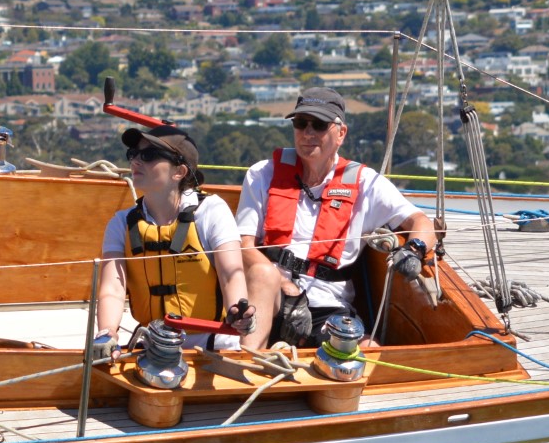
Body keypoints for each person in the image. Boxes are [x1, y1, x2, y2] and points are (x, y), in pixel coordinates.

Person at [236, 87, 437, 348]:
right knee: (263, 275)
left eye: (319, 125)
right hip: (271, 297)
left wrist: (414, 249)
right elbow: (243, 246)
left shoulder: (367, 183)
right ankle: (248, 368)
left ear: (341, 133)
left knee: (369, 351)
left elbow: (420, 222)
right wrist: (284, 285)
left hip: (328, 306)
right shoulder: (262, 174)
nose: (308, 133)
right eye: (300, 123)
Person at [93, 122, 253, 354]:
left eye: (149, 155)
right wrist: (107, 333)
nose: (136, 161)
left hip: (213, 346)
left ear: (179, 172)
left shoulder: (212, 211)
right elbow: (112, 290)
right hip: (151, 346)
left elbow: (231, 275)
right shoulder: (121, 223)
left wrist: (238, 312)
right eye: (133, 154)